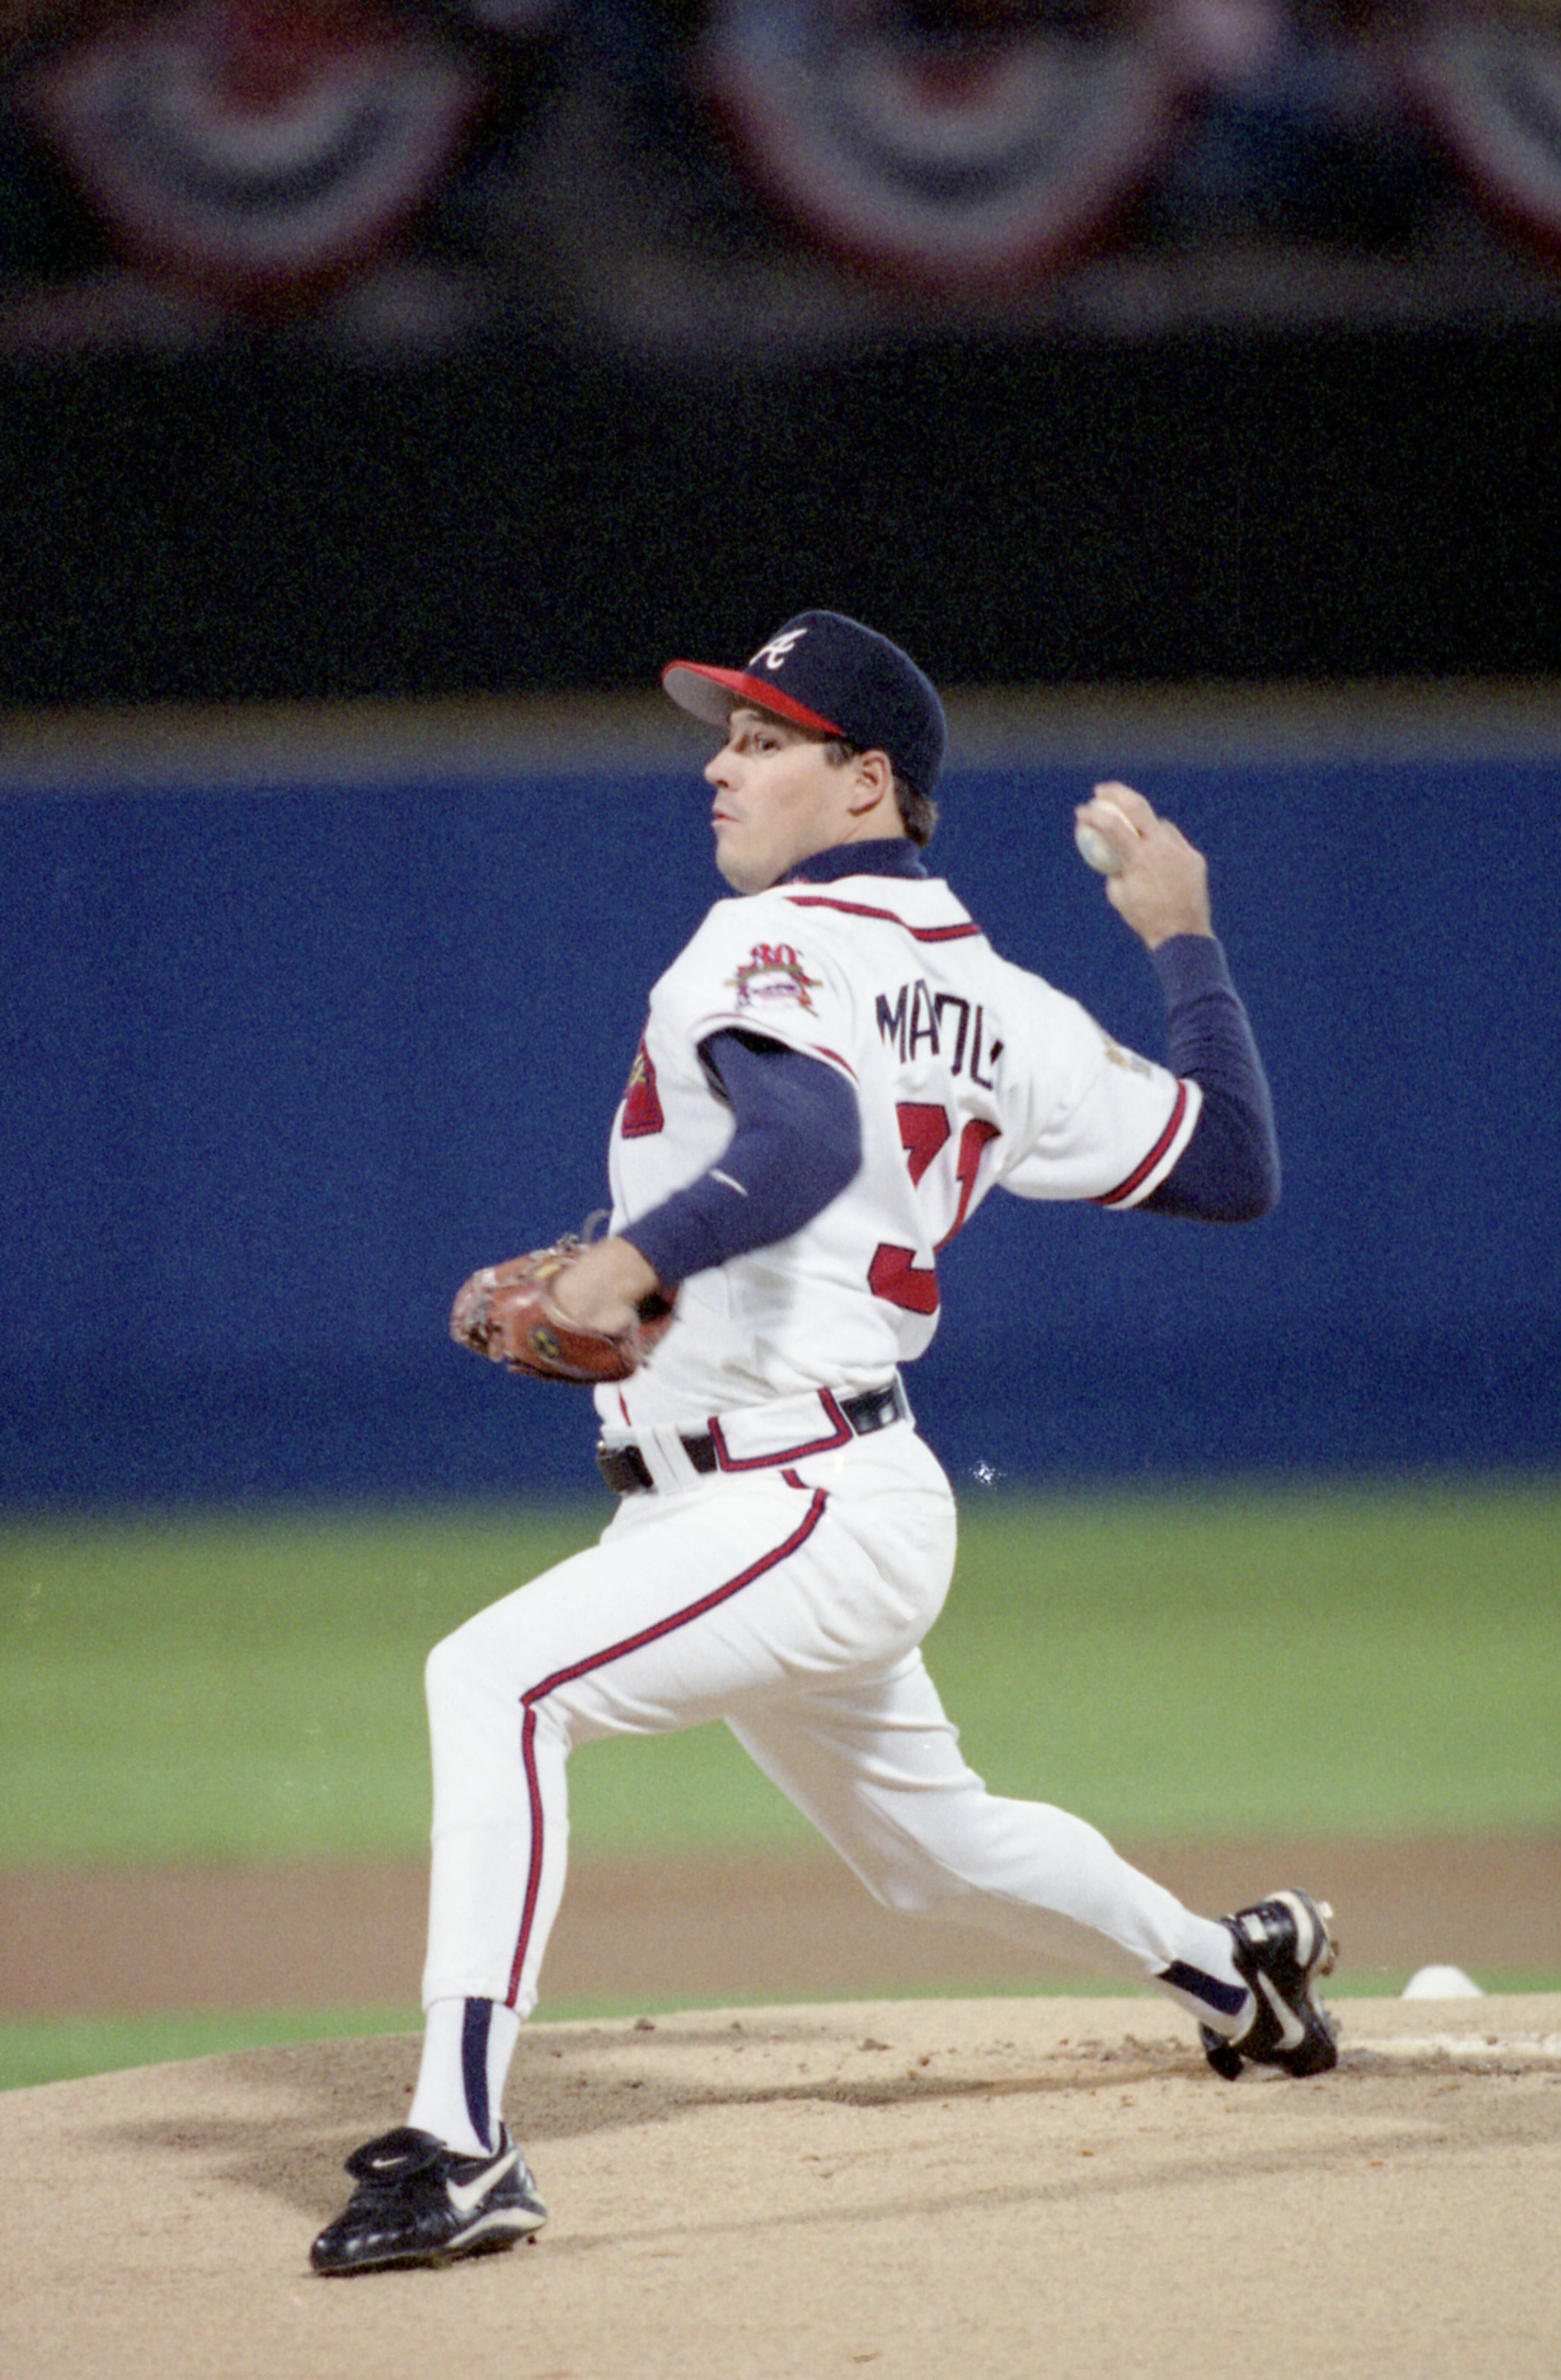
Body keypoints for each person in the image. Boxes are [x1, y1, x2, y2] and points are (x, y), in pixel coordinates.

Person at [310, 610, 1337, 2277]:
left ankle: (461, 2142)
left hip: (796, 1491)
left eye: (763, 738)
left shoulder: (758, 943)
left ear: (866, 778)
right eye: (724, 732)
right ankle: (1239, 1974)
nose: (719, 763)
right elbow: (1229, 1159)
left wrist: (638, 1259)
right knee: (931, 1849)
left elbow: (806, 1136)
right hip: (793, 1498)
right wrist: (1183, 937)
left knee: (491, 1682)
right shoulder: (1002, 1003)